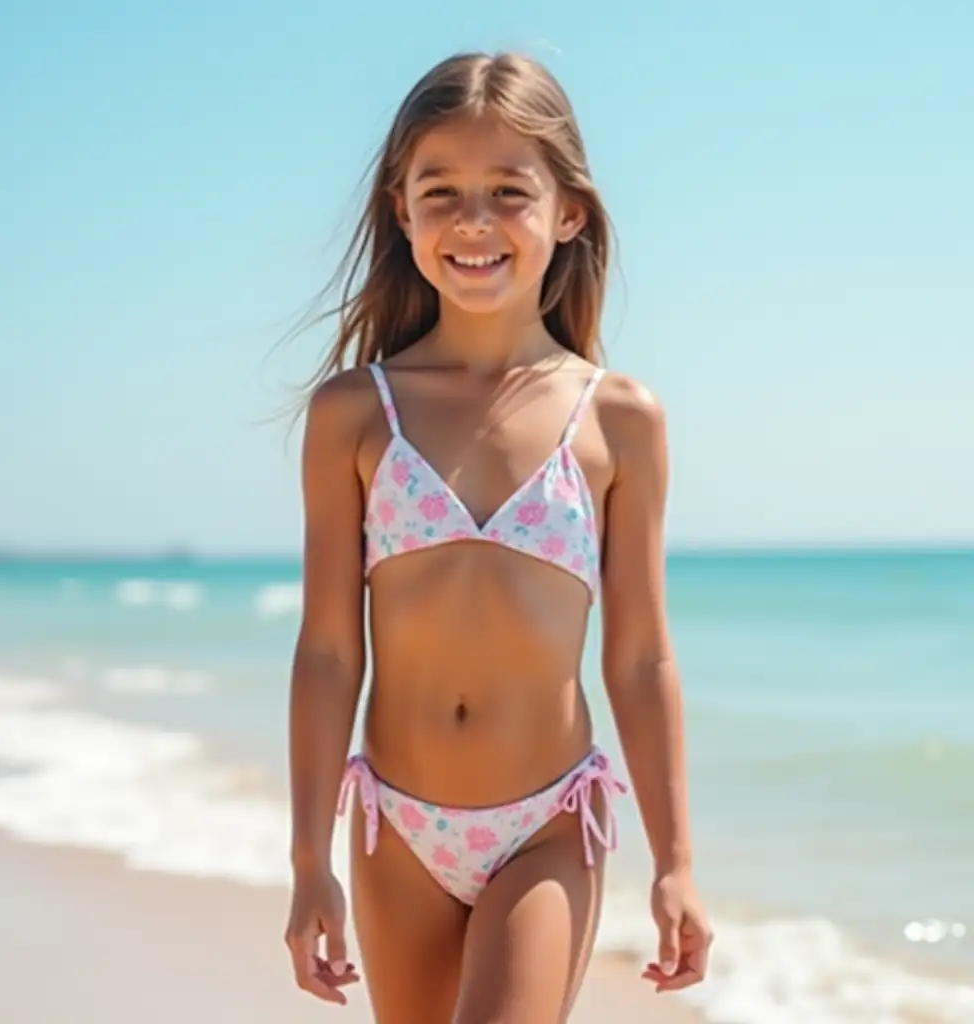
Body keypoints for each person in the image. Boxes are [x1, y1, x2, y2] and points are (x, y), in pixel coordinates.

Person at [284, 50, 712, 1023]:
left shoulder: (618, 417)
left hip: (547, 826)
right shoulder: (356, 413)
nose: (473, 221)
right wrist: (311, 858)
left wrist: (676, 859)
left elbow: (640, 652)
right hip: (397, 827)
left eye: (508, 192)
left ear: (567, 213)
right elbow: (324, 648)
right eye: (441, 192)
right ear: (402, 210)